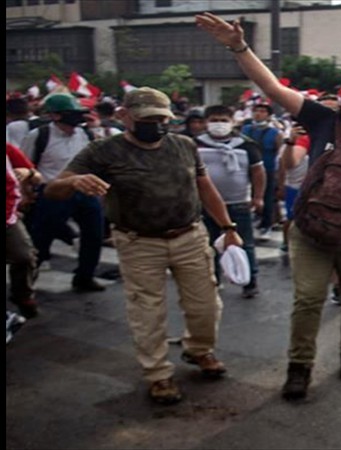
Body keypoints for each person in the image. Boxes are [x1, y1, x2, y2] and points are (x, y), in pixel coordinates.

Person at [196, 11, 341, 401]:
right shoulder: (323, 119)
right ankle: (299, 367)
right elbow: (271, 87)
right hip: (310, 230)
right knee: (308, 299)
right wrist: (238, 46)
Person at [43, 87, 244, 405]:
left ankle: (199, 350)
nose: (156, 125)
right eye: (147, 119)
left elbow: (204, 188)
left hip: (190, 237)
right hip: (139, 242)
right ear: (125, 117)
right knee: (147, 311)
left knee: (206, 305)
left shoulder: (183, 145)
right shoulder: (103, 151)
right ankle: (158, 374)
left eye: (162, 119)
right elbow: (53, 189)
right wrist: (73, 182)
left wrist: (228, 227)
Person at [20, 93, 106, 292]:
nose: (78, 117)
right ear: (56, 116)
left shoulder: (86, 134)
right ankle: (25, 284)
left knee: (94, 234)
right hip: (53, 192)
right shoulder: (40, 136)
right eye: (72, 113)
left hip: (84, 190)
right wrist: (26, 193)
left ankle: (85, 276)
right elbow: (25, 167)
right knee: (42, 238)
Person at [196, 105, 266, 298]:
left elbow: (258, 172)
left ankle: (250, 281)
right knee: (208, 244)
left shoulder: (246, 145)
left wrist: (258, 197)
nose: (219, 124)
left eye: (224, 120)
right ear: (206, 123)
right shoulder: (196, 144)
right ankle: (214, 280)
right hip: (205, 205)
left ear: (233, 122)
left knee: (244, 244)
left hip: (239, 203)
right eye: (214, 120)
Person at [6, 143, 42, 319]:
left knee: (25, 256)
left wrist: (29, 173)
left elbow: (37, 177)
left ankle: (22, 295)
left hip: (8, 216)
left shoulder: (8, 150)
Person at [241, 103, 284, 239]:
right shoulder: (245, 129)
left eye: (262, 111)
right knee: (249, 195)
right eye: (256, 111)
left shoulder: (275, 133)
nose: (258, 114)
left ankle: (267, 225)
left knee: (268, 197)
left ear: (268, 115)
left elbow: (280, 153)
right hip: (246, 168)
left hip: (268, 168)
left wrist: (279, 172)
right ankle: (255, 219)